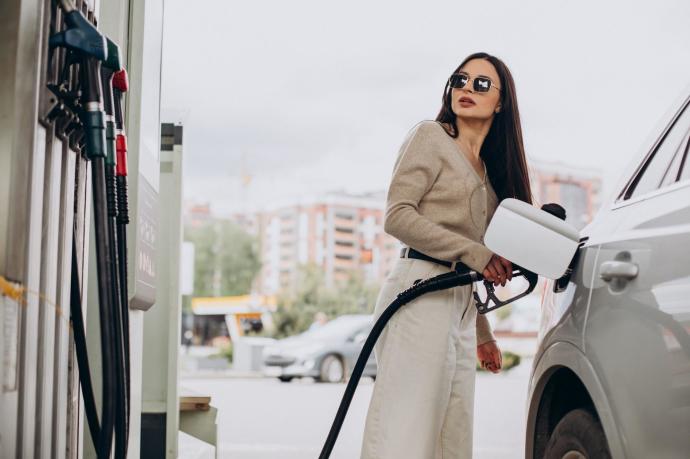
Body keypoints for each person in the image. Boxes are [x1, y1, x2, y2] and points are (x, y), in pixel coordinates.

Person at [360, 52, 532, 459]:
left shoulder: (489, 177)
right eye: (460, 80)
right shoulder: (431, 137)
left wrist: (484, 334)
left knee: (452, 438)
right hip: (417, 291)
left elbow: (469, 266)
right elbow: (397, 216)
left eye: (481, 83)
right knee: (406, 433)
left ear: (501, 101)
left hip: (458, 306)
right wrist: (476, 252)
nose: (467, 89)